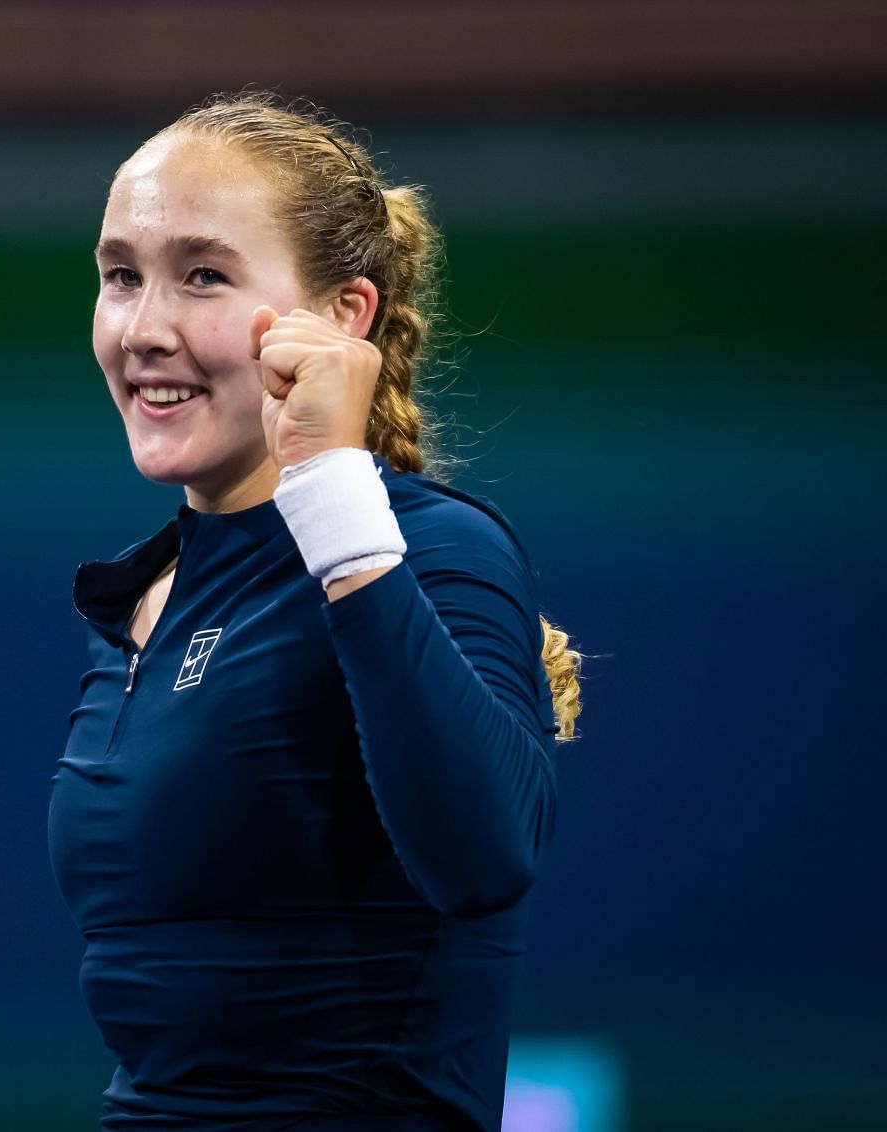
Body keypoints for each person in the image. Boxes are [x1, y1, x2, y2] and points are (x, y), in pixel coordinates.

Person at [46, 89, 586, 1132]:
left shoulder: (432, 548)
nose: (144, 328)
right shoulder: (142, 599)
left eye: (202, 276)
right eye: (121, 277)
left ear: (342, 317)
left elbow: (485, 859)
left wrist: (332, 489)